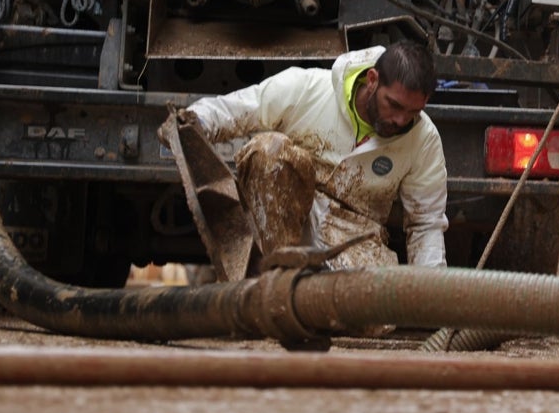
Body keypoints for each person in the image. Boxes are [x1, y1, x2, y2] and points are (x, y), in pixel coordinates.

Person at [173, 41, 448, 276]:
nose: (401, 120)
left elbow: (425, 224)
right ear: (372, 80)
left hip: (352, 236)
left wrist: (432, 295)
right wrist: (191, 122)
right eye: (394, 105)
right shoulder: (307, 88)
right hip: (284, 225)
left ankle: (312, 298)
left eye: (412, 112)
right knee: (269, 150)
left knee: (373, 317)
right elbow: (239, 108)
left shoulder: (424, 139)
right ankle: (277, 281)